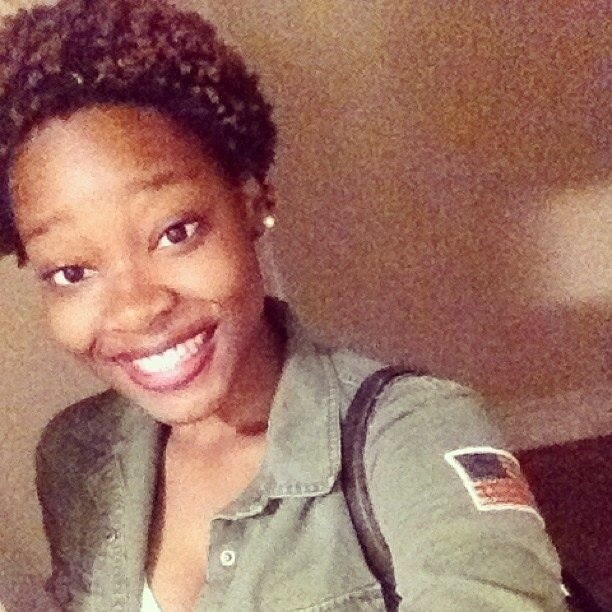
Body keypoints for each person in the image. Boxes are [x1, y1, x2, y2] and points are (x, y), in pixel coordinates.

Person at [0, 0, 567, 610]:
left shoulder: (412, 431)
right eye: (72, 272)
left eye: (175, 232)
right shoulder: (75, 456)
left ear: (251, 203)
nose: (136, 309)